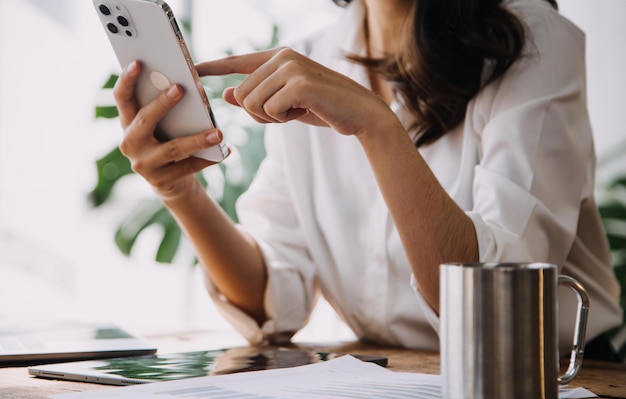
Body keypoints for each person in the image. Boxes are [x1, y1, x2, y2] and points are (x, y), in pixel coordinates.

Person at [113, 0, 622, 353]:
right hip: (393, 384)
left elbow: (494, 306)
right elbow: (274, 291)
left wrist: (378, 126)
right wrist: (180, 192)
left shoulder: (532, 41)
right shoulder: (310, 57)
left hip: (554, 388)